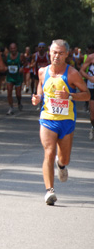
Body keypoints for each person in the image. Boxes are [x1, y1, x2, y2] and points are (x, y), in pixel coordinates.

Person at [32, 39, 89, 205]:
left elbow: (86, 95)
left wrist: (69, 96)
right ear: (50, 52)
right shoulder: (43, 71)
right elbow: (41, 87)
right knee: (49, 151)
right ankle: (50, 191)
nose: (56, 56)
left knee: (64, 159)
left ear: (66, 55)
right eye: (54, 52)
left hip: (66, 120)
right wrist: (38, 98)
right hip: (48, 118)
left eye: (60, 53)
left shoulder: (72, 74)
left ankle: (61, 165)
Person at [79, 43, 94, 140]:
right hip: (92, 87)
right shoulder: (91, 58)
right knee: (93, 114)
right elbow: (81, 71)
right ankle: (93, 127)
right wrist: (89, 78)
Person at [5, 43, 23, 115]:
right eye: (11, 48)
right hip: (10, 76)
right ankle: (11, 107)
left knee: (18, 94)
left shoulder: (20, 56)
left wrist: (22, 68)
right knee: (9, 92)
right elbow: (4, 64)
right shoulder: (7, 56)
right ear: (10, 49)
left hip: (18, 77)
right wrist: (5, 67)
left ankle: (19, 102)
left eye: (14, 48)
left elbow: (25, 63)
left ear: (16, 48)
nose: (13, 50)